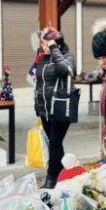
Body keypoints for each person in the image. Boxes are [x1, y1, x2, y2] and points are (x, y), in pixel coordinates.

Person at [34, 28, 76, 189]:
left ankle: (52, 178)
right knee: (54, 144)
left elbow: (66, 71)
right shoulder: (44, 57)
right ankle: (62, 175)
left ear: (55, 44)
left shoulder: (65, 56)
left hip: (60, 107)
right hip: (45, 109)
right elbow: (40, 83)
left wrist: (53, 49)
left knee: (55, 142)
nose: (43, 46)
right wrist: (37, 107)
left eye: (45, 43)